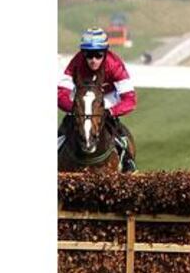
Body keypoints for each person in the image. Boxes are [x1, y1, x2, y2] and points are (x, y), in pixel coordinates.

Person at [57, 27, 138, 172]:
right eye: (89, 55)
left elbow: (130, 99)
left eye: (98, 55)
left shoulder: (115, 64)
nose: (93, 60)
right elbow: (61, 93)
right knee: (66, 124)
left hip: (107, 98)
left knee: (116, 127)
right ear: (83, 53)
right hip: (82, 97)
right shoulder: (76, 62)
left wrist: (111, 111)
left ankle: (127, 160)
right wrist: (74, 108)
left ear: (105, 53)